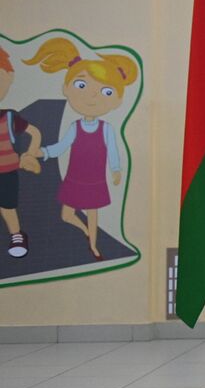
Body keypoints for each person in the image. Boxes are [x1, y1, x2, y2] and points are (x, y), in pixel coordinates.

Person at [24, 37, 139, 260]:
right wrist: (43, 152)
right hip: (74, 179)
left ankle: (94, 247)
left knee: (93, 214)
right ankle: (86, 232)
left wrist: (115, 170)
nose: (92, 96)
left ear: (116, 100)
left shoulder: (106, 128)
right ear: (67, 88)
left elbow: (113, 150)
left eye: (106, 92)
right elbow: (61, 146)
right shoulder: (75, 127)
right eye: (81, 85)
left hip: (95, 179)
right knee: (67, 215)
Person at [0, 44, 43, 258]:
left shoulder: (9, 117)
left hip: (6, 172)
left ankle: (16, 234)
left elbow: (34, 133)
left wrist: (29, 153)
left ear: (8, 77)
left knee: (8, 206)